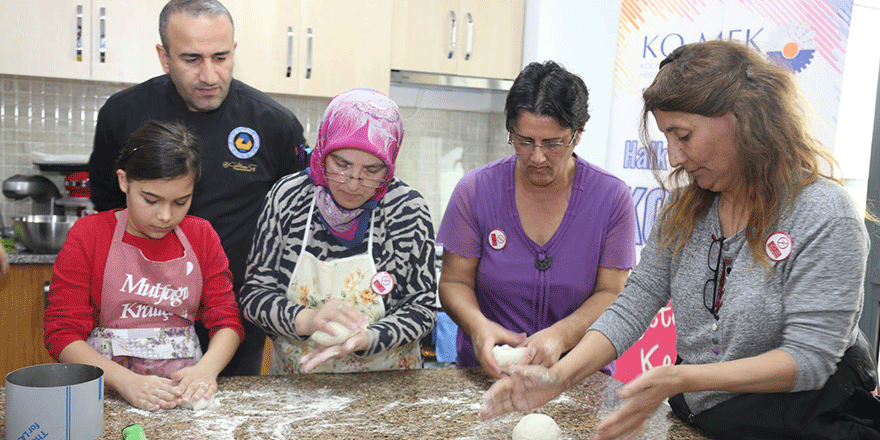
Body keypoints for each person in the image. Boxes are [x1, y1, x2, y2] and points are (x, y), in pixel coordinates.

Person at [480, 40, 880, 440]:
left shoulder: (823, 213)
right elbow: (632, 305)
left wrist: (679, 377)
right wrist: (558, 377)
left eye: (683, 135)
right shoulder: (687, 209)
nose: (673, 157)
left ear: (744, 119)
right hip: (707, 423)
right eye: (666, 137)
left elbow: (809, 359)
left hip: (802, 424)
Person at [88, 0, 310, 376]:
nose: (209, 75)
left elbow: (297, 218)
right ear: (164, 56)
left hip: (230, 319)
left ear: (234, 51)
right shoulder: (122, 114)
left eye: (220, 57)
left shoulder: (274, 125)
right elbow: (109, 205)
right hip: (139, 312)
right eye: (192, 59)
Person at [436, 60, 637, 379]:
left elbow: (612, 293)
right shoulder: (476, 191)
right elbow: (453, 282)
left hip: (577, 375)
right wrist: (478, 327)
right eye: (524, 141)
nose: (537, 157)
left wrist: (561, 336)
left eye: (554, 144)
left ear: (578, 134)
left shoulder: (611, 198)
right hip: (487, 373)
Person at [45, 120, 245, 411]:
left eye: (181, 202)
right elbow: (61, 332)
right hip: (107, 393)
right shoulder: (90, 235)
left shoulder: (201, 236)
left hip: (181, 395)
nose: (165, 216)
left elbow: (227, 320)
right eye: (151, 200)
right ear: (124, 181)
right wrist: (124, 380)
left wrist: (206, 370)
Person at [240, 88, 436, 374]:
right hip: (298, 386)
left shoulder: (406, 210)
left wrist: (366, 338)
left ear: (389, 166)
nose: (353, 183)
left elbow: (421, 309)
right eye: (341, 165)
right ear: (322, 152)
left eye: (372, 170)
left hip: (387, 385)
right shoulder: (288, 198)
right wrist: (307, 320)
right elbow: (255, 294)